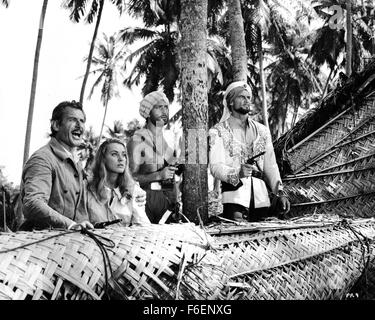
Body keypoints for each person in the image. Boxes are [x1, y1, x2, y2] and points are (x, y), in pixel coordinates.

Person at [209, 81, 290, 222]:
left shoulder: (263, 131)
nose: (246, 101)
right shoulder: (218, 131)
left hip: (261, 199)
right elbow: (215, 167)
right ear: (231, 102)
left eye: (248, 97)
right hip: (234, 200)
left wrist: (280, 192)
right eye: (241, 97)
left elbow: (270, 166)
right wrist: (237, 173)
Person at [18, 100, 93, 230]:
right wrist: (71, 225)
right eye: (72, 120)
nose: (79, 125)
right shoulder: (43, 158)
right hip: (39, 244)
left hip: (68, 243)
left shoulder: (76, 163)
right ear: (56, 125)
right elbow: (32, 203)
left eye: (82, 121)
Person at [127, 91, 182, 224]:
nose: (164, 111)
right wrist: (158, 175)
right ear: (148, 112)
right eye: (159, 107)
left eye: (166, 107)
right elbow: (129, 178)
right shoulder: (138, 140)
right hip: (147, 204)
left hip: (169, 205)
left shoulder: (166, 141)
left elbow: (174, 175)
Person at [87, 138, 150, 227]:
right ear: (103, 159)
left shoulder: (133, 189)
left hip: (123, 239)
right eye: (114, 154)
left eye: (124, 155)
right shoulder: (88, 188)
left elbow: (142, 225)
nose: (121, 159)